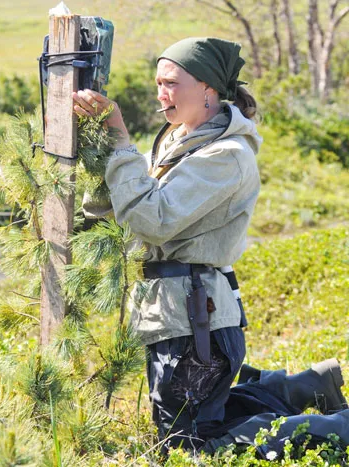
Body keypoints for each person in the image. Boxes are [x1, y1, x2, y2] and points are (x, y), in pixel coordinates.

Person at [72, 37, 349, 458]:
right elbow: (127, 205)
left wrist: (121, 139)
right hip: (177, 316)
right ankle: (302, 388)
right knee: (194, 428)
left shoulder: (227, 155)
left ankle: (335, 428)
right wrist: (95, 155)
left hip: (194, 324)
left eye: (170, 82)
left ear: (208, 90)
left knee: (192, 448)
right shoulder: (178, 142)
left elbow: (153, 219)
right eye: (157, 82)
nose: (160, 92)